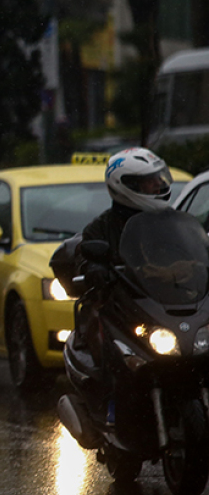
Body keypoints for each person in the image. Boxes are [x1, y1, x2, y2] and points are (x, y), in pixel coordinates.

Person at [70, 147, 174, 421]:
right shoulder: (101, 228)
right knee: (114, 352)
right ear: (127, 185)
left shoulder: (171, 222)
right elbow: (85, 260)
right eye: (149, 181)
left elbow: (193, 251)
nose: (158, 185)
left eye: (158, 178)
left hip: (165, 306)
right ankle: (111, 408)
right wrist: (94, 270)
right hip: (122, 309)